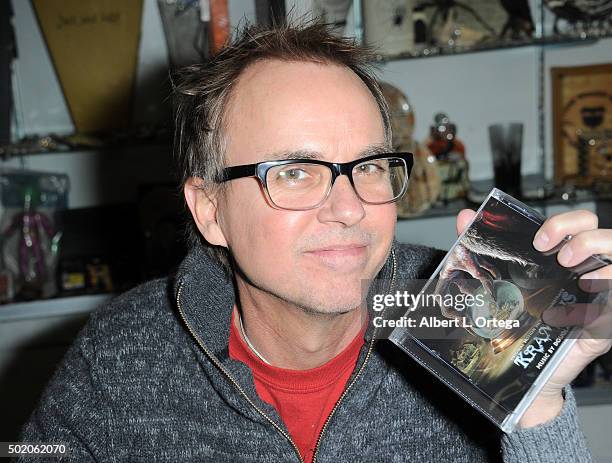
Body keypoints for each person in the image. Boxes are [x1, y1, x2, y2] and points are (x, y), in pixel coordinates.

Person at [20, 22, 611, 462]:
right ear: (209, 210)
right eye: (295, 172)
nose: (351, 207)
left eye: (371, 165)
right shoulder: (121, 357)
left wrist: (537, 407)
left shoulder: (457, 310)